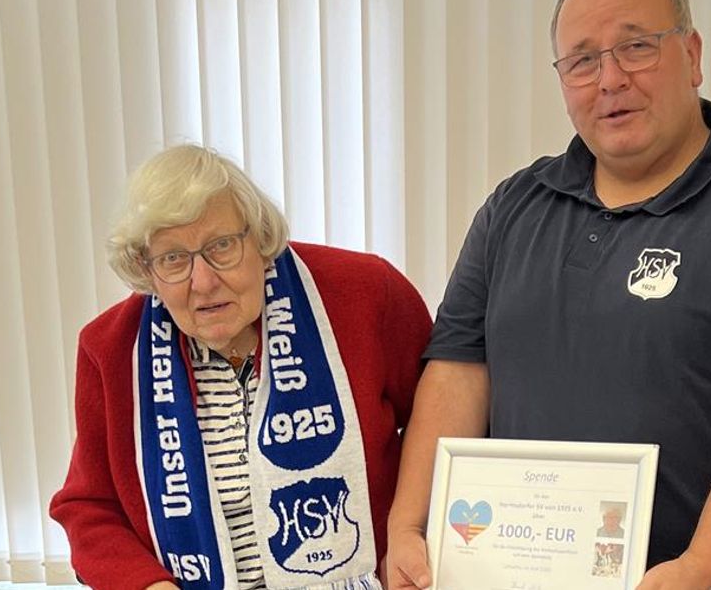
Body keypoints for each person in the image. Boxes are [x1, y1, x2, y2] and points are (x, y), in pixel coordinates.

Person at [386, 0, 711, 590]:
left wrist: (697, 567)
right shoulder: (511, 209)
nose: (609, 79)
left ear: (692, 56)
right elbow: (458, 371)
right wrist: (408, 528)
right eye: (582, 60)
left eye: (636, 47)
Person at [50, 145, 431, 589]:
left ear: (260, 238)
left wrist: (410, 534)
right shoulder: (111, 350)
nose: (204, 281)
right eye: (173, 258)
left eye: (222, 246)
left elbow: (443, 429)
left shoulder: (366, 295)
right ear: (145, 269)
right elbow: (89, 506)